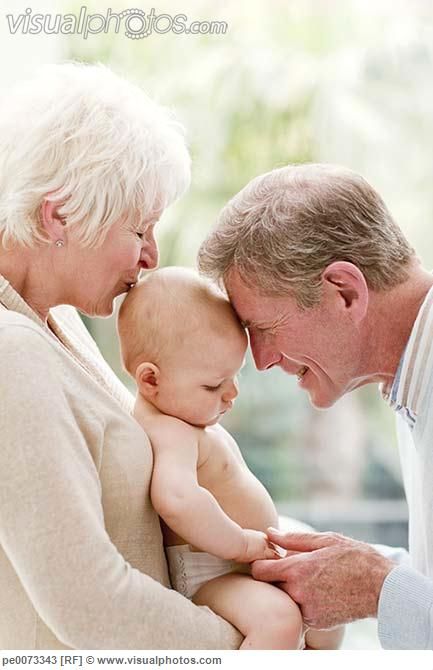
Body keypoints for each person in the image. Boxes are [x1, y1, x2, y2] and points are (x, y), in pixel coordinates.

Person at [0, 62, 245, 649]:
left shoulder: (55, 320)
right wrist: (254, 643)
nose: (151, 257)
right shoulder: (12, 352)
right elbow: (91, 605)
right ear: (57, 215)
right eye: (139, 230)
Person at [197, 162, 433, 650]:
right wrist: (362, 567)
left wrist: (377, 586)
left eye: (265, 328)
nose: (260, 362)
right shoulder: (412, 387)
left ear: (344, 292)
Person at [117, 266, 344, 650]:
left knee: (327, 612)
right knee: (279, 620)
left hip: (240, 566)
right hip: (212, 574)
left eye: (234, 376)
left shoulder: (185, 417)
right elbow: (176, 499)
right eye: (213, 384)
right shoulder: (169, 430)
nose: (231, 393)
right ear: (151, 380)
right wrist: (239, 543)